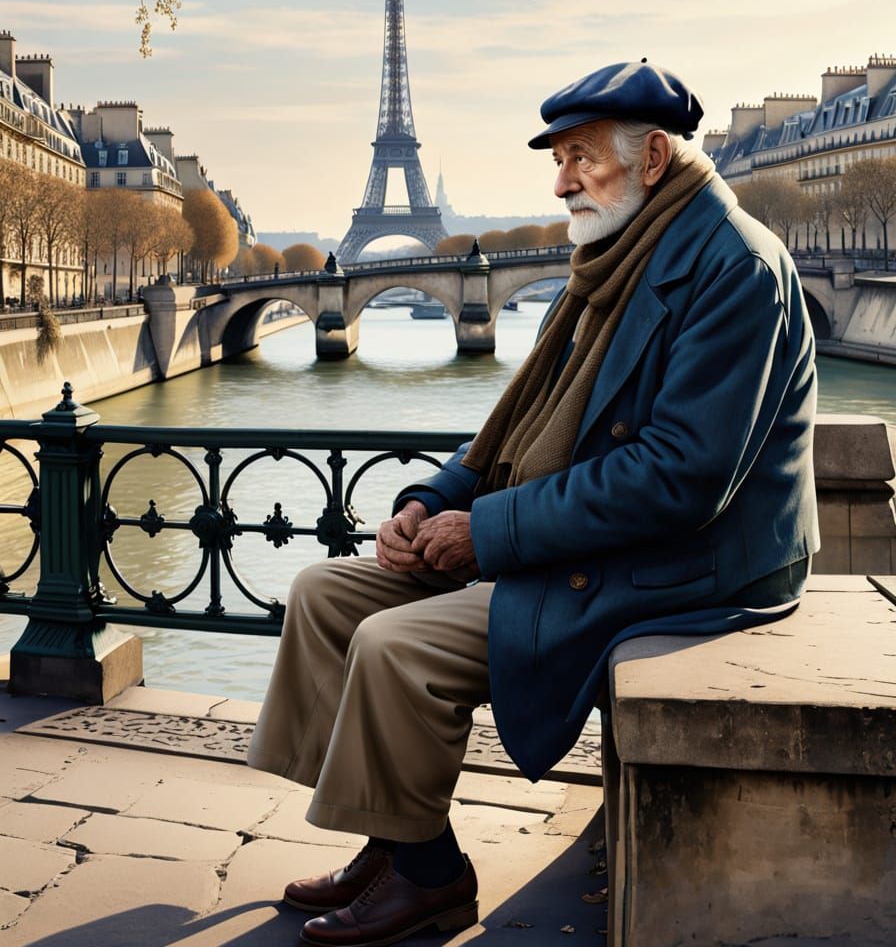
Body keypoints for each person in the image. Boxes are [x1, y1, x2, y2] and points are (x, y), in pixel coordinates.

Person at [247, 59, 819, 947]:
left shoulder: (735, 269)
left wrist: (485, 533)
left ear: (655, 156)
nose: (560, 183)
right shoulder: (611, 260)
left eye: (579, 158)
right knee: (328, 594)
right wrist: (427, 501)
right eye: (558, 161)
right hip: (587, 538)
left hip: (688, 570)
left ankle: (432, 879)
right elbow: (516, 431)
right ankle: (397, 837)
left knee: (396, 645)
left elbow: (681, 479)